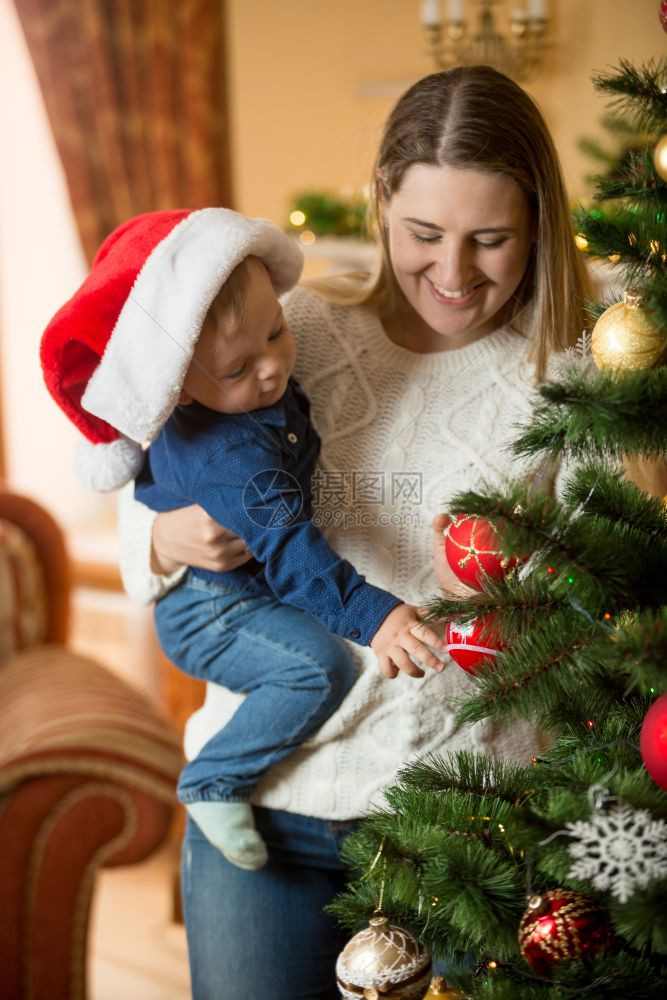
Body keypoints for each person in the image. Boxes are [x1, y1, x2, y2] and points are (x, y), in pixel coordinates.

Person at [118, 66, 591, 999]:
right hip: (265, 807)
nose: (452, 275)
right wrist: (167, 540)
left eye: (489, 240)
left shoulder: (572, 375)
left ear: (537, 223)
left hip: (465, 828)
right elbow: (152, 483)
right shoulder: (288, 330)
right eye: (423, 234)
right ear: (379, 203)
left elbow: (602, 605)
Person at [39, 208, 444, 872]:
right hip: (208, 608)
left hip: (235, 587)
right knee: (319, 667)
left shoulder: (251, 385)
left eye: (276, 332)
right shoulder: (232, 460)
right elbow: (291, 553)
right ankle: (212, 778)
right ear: (180, 390)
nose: (269, 369)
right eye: (235, 369)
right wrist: (379, 617)